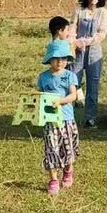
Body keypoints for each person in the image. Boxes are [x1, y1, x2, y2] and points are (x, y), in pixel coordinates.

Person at [36, 39, 81, 194]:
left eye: (63, 58)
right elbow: (40, 96)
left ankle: (68, 172)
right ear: (50, 59)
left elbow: (73, 95)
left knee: (68, 149)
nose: (60, 62)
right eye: (56, 58)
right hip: (49, 120)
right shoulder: (43, 77)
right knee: (51, 149)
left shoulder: (70, 76)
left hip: (66, 119)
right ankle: (53, 179)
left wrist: (60, 101)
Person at [72, 0, 107, 128]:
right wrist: (73, 42)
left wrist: (84, 42)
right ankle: (69, 117)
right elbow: (72, 28)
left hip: (94, 51)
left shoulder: (103, 12)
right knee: (73, 81)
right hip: (77, 51)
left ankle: (90, 118)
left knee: (93, 84)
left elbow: (101, 34)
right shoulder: (78, 11)